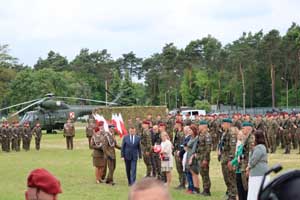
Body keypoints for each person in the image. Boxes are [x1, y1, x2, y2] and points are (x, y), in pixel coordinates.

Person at [247, 130, 269, 200]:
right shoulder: (259, 147)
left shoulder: (259, 147)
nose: (253, 139)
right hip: (258, 174)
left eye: (254, 137)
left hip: (258, 174)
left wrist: (248, 167)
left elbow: (253, 160)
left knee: (254, 193)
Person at [218, 118, 237, 200]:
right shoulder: (224, 133)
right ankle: (230, 193)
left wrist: (231, 160)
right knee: (226, 177)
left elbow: (233, 148)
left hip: (228, 159)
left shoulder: (231, 133)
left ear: (228, 124)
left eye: (223, 124)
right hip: (223, 158)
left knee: (231, 178)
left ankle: (233, 195)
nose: (222, 125)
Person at [196, 120, 212, 196]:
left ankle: (207, 190)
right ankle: (204, 189)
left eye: (200, 125)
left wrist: (205, 159)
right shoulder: (201, 134)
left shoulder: (207, 135)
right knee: (202, 173)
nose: (199, 127)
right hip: (200, 157)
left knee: (205, 174)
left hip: (204, 158)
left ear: (203, 126)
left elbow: (208, 148)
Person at [231, 130, 247, 200]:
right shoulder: (239, 144)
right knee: (239, 188)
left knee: (242, 189)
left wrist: (231, 163)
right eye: (239, 135)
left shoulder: (242, 145)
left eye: (241, 135)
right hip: (238, 169)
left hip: (241, 169)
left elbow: (239, 157)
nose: (239, 136)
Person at [173, 120, 185, 189]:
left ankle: (182, 183)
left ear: (179, 124)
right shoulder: (177, 132)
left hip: (179, 152)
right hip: (176, 151)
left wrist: (180, 152)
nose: (175, 125)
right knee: (178, 168)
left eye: (176, 124)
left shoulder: (182, 133)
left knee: (180, 168)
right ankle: (181, 182)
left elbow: (182, 143)